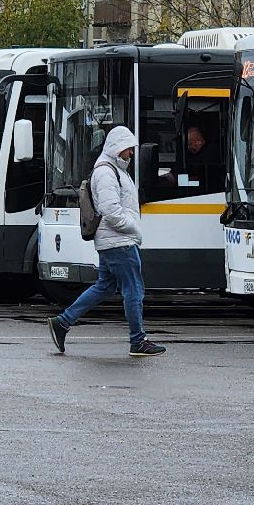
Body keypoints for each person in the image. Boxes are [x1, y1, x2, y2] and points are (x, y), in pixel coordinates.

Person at [48, 125, 165, 358]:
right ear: (116, 148)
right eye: (128, 149)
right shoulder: (106, 172)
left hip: (112, 242)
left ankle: (63, 322)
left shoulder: (114, 169)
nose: (131, 153)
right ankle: (138, 340)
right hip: (119, 242)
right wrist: (133, 227)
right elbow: (111, 211)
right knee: (134, 290)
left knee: (105, 286)